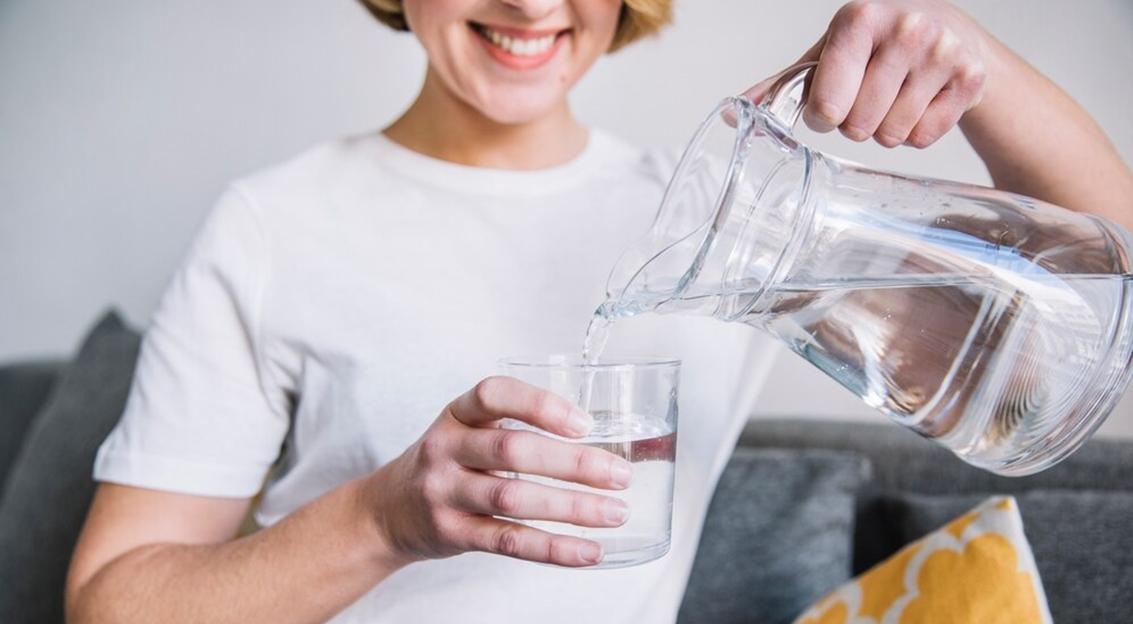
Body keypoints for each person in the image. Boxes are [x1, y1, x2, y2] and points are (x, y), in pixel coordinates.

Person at [65, 1, 1133, 622]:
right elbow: (112, 601)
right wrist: (384, 517)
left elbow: (1099, 301)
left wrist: (973, 65)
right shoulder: (274, 224)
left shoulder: (721, 226)